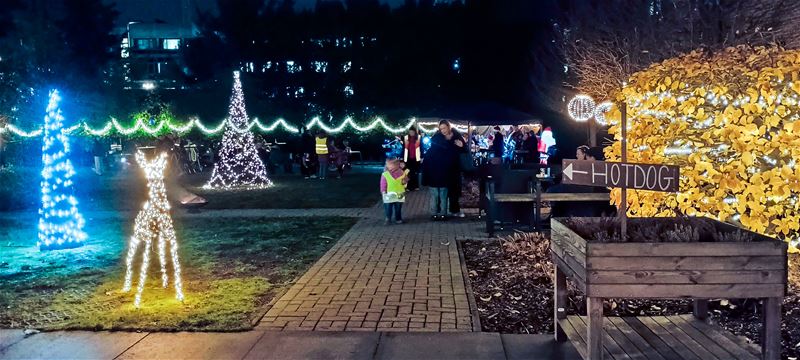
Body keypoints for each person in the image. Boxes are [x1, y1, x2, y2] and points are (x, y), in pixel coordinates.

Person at [422, 120, 463, 220]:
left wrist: (460, 146)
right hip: (442, 174)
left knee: (440, 196)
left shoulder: (454, 137)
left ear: (448, 127)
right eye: (441, 129)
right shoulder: (439, 142)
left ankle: (440, 213)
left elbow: (460, 151)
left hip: (446, 174)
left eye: (444, 128)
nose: (443, 130)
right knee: (439, 196)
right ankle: (439, 213)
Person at [381, 159, 408, 225]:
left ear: (396, 165)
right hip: (388, 194)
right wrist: (383, 192)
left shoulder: (402, 172)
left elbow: (405, 182)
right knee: (388, 207)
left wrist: (404, 181)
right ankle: (388, 218)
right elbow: (383, 184)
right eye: (387, 165)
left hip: (400, 193)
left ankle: (398, 219)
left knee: (398, 208)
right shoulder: (385, 174)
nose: (388, 166)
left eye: (389, 165)